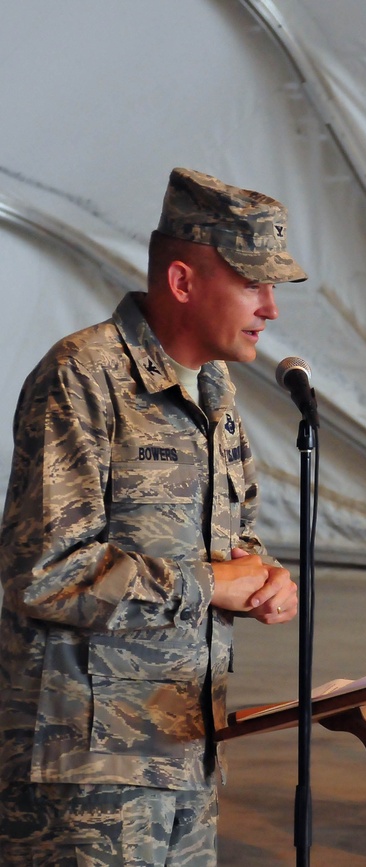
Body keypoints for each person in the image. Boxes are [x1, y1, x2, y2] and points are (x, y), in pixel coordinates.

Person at [0, 167, 304, 866]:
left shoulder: (217, 392)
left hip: (184, 752)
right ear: (183, 282)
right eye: (253, 283)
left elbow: (234, 541)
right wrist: (210, 583)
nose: (270, 307)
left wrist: (263, 577)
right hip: (88, 775)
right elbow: (44, 573)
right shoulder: (82, 376)